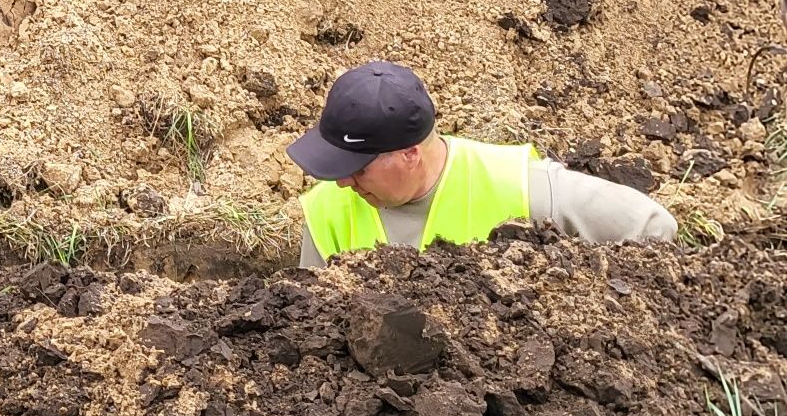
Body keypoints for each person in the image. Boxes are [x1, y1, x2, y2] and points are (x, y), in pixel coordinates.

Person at [290, 60, 677, 270]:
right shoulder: (326, 212)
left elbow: (654, 227)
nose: (342, 182)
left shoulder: (515, 187)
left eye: (358, 167)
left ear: (410, 154)